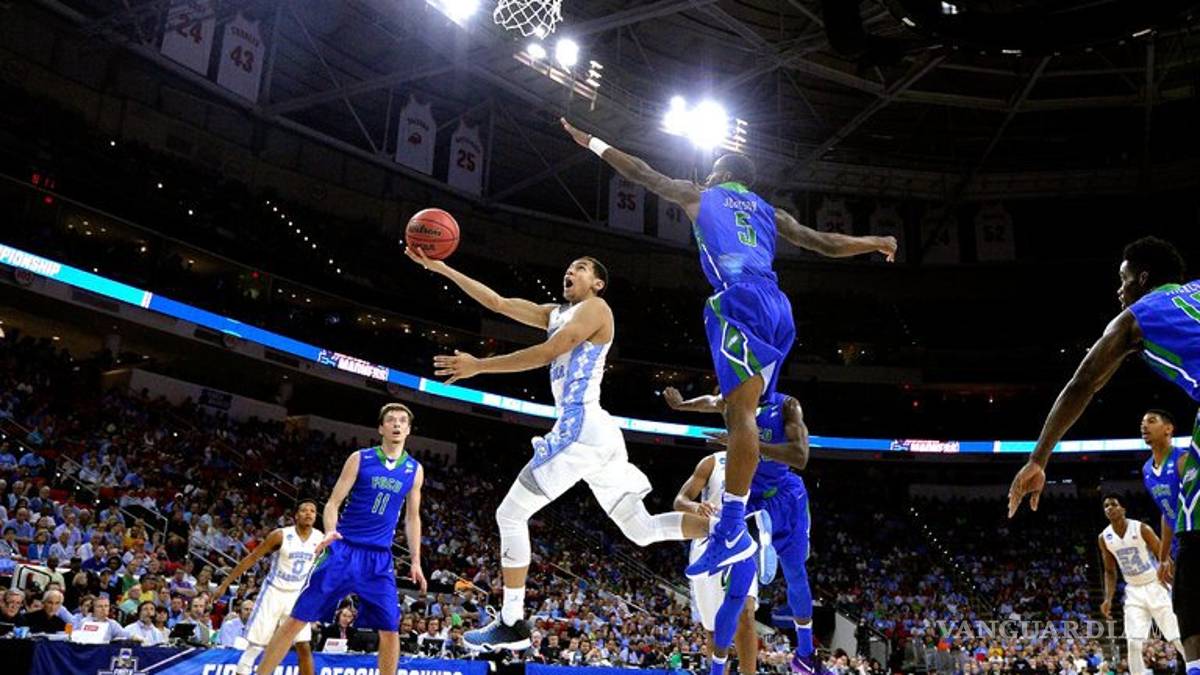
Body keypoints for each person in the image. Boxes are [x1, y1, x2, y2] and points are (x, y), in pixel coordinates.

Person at [560, 118, 894, 582]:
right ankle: (733, 526)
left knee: (739, 417)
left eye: (713, 169)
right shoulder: (769, 212)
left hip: (738, 301)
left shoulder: (701, 194)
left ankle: (733, 528)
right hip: (779, 307)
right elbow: (825, 243)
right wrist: (876, 242)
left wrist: (593, 141)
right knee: (744, 414)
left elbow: (641, 173)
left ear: (721, 174)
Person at [406, 249, 715, 651]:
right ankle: (724, 529)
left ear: (597, 283)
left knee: (510, 514)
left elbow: (548, 352)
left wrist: (479, 366)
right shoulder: (555, 313)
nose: (570, 271)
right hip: (598, 435)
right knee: (641, 530)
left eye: (581, 268)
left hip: (581, 428)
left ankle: (512, 623)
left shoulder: (596, 308)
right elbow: (497, 302)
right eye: (569, 267)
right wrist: (443, 268)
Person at [1005, 238, 1200, 673]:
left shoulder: (1137, 315)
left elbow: (1084, 382)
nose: (1119, 290)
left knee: (1193, 552)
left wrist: (1039, 458)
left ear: (1143, 279)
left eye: (1123, 280)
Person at [253, 403, 426, 675]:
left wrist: (415, 560)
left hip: (379, 558)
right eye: (391, 419)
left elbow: (412, 518)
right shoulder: (360, 458)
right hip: (343, 549)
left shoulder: (414, 470)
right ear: (380, 428)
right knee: (297, 619)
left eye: (402, 421)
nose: (396, 424)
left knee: (390, 629)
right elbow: (333, 503)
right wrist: (331, 531)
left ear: (408, 430)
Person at [666, 386, 819, 673]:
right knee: (716, 625)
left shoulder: (783, 407)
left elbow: (800, 457)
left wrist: (746, 443)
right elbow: (709, 402)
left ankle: (802, 654)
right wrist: (681, 405)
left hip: (771, 504)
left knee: (754, 606)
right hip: (722, 527)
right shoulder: (712, 459)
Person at [212, 500, 323, 675]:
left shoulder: (320, 538)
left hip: (297, 596)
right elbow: (252, 558)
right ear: (296, 515)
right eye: (304, 510)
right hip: (273, 593)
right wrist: (225, 583)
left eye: (312, 511)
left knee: (304, 646)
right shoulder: (280, 535)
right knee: (256, 647)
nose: (309, 513)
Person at [1098, 495, 1184, 675]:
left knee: (1176, 636)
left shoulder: (1142, 528)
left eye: (1113, 504)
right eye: (1106, 506)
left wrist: (1175, 584)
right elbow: (1110, 571)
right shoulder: (1104, 537)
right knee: (1133, 642)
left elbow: (1164, 558)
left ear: (1123, 509)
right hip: (1133, 591)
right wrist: (1108, 598)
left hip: (1155, 585)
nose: (1109, 508)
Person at [1140, 409, 1186, 580]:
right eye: (1142, 423)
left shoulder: (1183, 460)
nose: (1144, 426)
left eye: (1151, 421)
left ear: (1168, 429)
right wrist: (1163, 557)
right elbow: (1167, 513)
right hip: (1179, 545)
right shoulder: (1146, 470)